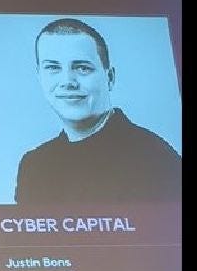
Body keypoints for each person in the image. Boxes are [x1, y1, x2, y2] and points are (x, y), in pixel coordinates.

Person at [14, 18, 181, 206]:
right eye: (53, 67)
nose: (67, 81)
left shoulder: (156, 161)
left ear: (110, 78)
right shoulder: (33, 167)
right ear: (40, 77)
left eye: (82, 68)